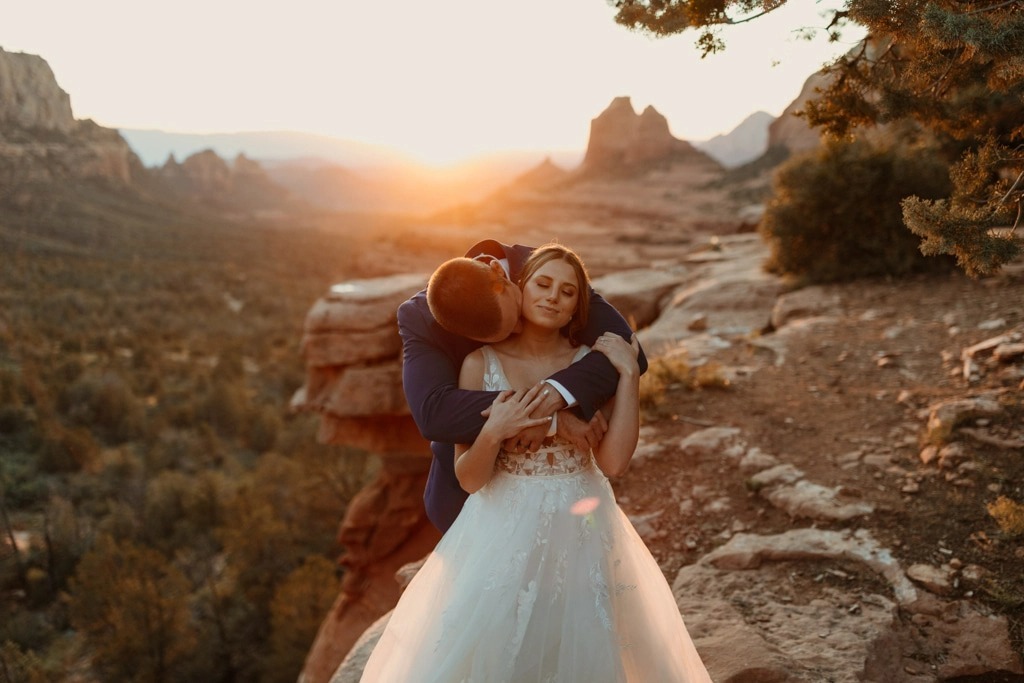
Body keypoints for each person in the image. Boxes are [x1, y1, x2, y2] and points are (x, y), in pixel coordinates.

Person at [361, 244, 712, 682]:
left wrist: (624, 378)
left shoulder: (590, 362)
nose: (551, 297)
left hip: (581, 524)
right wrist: (537, 421)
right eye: (543, 286)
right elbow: (441, 429)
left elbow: (616, 456)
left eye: (566, 292)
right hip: (499, 524)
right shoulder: (475, 360)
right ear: (523, 289)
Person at [398, 239, 647, 533]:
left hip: (576, 510)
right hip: (470, 499)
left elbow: (630, 352)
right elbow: (434, 414)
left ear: (501, 276)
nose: (517, 331)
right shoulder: (422, 318)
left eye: (515, 319)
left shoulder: (550, 270)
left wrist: (554, 393)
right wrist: (551, 419)